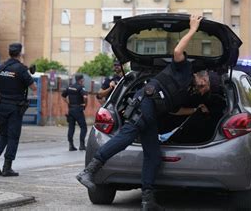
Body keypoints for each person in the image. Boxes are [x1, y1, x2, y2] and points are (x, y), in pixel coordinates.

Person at [76, 14, 209, 211]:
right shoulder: (184, 69)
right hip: (144, 103)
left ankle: (148, 199)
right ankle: (88, 171)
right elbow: (178, 50)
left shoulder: (185, 91)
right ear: (203, 77)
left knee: (153, 155)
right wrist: (192, 29)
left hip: (152, 113)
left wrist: (196, 109)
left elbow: (176, 110)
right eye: (206, 86)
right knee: (126, 136)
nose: (204, 90)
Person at [0, 43, 37, 177]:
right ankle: (7, 167)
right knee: (13, 137)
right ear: (20, 53)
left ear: (9, 52)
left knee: (2, 134)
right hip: (15, 107)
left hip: (1, 105)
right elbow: (33, 88)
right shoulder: (21, 69)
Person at [62, 74, 88, 151]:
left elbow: (63, 96)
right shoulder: (81, 87)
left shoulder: (70, 87)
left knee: (71, 127)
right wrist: (85, 104)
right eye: (83, 80)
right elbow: (85, 97)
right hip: (78, 109)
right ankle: (82, 145)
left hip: (71, 109)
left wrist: (68, 103)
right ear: (81, 80)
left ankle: (71, 145)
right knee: (83, 127)